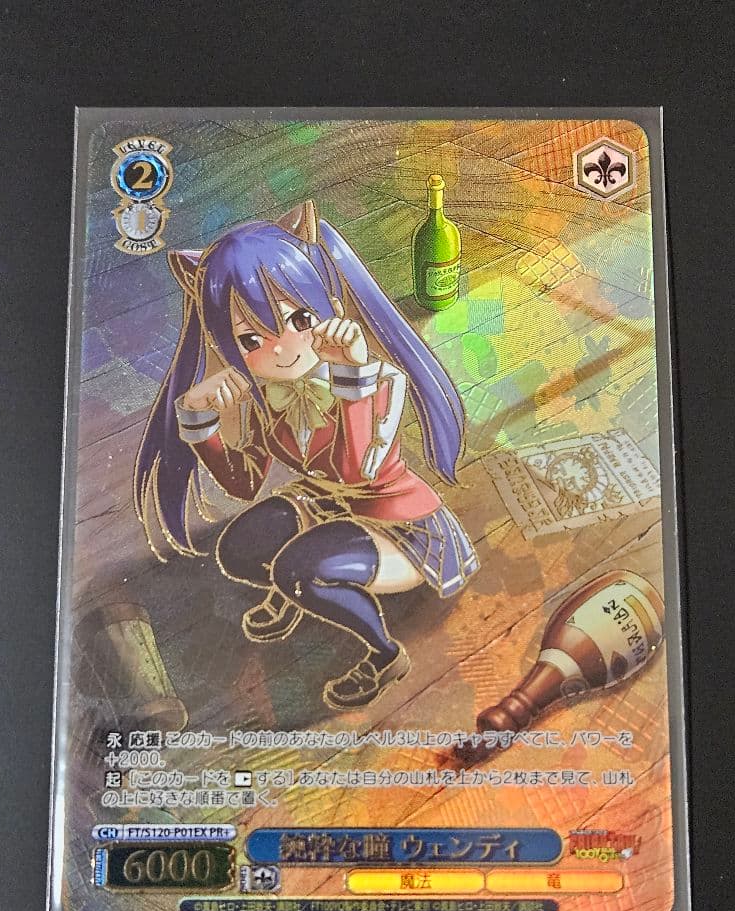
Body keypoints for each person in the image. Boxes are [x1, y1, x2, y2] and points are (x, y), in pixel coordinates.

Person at [135, 201, 478, 710]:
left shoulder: (378, 381)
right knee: (237, 551)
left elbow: (356, 468)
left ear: (328, 304)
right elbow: (244, 484)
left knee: (300, 569)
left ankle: (384, 655)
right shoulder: (262, 397)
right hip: (323, 506)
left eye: (298, 318)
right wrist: (201, 419)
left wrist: (351, 376)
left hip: (400, 525)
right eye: (251, 338)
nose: (281, 347)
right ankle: (295, 593)